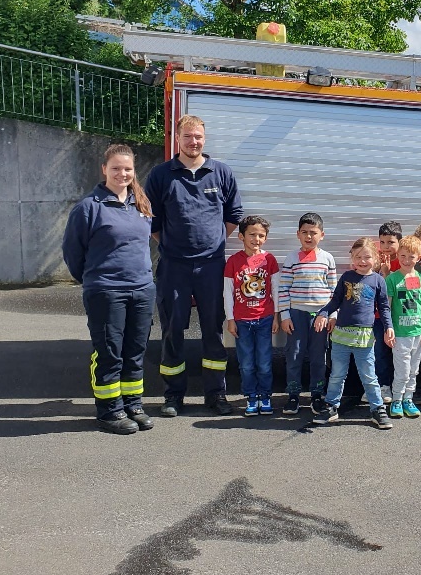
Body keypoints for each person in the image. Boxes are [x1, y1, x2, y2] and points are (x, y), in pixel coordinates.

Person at [144, 115, 243, 417]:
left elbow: (233, 215)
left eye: (198, 136)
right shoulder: (161, 175)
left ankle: (216, 395)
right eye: (187, 136)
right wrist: (176, 247)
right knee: (173, 331)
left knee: (213, 331)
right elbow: (153, 222)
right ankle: (174, 396)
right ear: (177, 139)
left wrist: (211, 243)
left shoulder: (221, 173)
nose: (193, 142)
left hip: (212, 267)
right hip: (174, 266)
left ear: (205, 138)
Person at [62, 144, 157, 434]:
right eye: (116, 168)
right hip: (106, 291)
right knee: (109, 353)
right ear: (104, 169)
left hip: (141, 289)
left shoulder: (141, 204)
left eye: (127, 168)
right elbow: (73, 253)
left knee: (134, 350)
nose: (122, 173)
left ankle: (132, 404)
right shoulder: (88, 208)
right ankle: (109, 411)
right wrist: (96, 281)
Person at [311, 237, 394, 429]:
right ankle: (331, 406)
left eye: (367, 257)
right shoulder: (346, 277)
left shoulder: (378, 280)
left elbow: (383, 307)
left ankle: (377, 409)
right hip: (341, 335)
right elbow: (335, 301)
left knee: (369, 375)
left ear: (375, 258)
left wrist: (389, 327)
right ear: (352, 259)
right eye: (358, 257)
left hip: (364, 336)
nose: (362, 261)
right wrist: (323, 313)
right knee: (337, 374)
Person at [278, 212, 338, 416]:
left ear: (322, 234)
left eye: (313, 233)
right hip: (297, 315)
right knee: (294, 355)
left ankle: (316, 395)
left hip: (320, 316)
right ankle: (293, 395)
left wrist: (332, 314)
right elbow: (284, 288)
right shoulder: (291, 258)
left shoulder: (327, 258)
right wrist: (285, 315)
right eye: (304, 232)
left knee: (318, 356)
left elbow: (333, 290)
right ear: (298, 234)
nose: (309, 237)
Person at [223, 215, 280, 416]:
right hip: (242, 321)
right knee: (246, 363)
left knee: (264, 362)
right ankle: (251, 396)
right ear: (241, 236)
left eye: (261, 235)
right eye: (252, 235)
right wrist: (230, 319)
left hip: (264, 319)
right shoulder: (233, 261)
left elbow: (275, 289)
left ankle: (265, 396)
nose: (257, 239)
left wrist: (276, 316)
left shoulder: (269, 259)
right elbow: (227, 292)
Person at [386, 235, 421, 419]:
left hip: (418, 331)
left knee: (414, 369)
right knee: (402, 369)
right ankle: (397, 399)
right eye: (403, 256)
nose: (407, 261)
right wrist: (388, 328)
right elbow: (387, 306)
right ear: (397, 256)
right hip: (400, 333)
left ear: (419, 257)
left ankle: (408, 398)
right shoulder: (392, 279)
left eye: (411, 257)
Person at [374, 220, 403, 404]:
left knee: (398, 352)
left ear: (399, 242)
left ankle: (398, 386)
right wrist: (382, 271)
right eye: (382, 242)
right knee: (380, 351)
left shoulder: (404, 260)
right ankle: (383, 385)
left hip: (400, 316)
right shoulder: (374, 259)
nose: (386, 247)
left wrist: (388, 272)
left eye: (391, 242)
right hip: (378, 316)